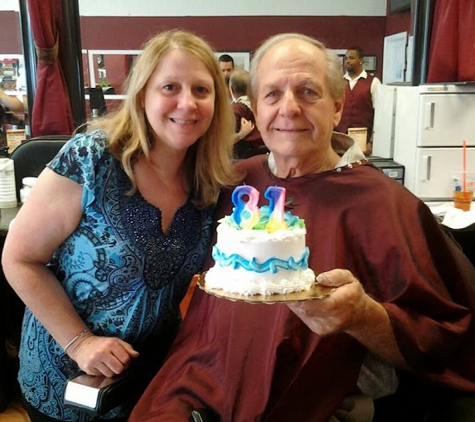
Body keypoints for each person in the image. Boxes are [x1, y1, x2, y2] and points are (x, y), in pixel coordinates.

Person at [129, 33, 475, 422]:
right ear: (255, 111)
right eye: (273, 94)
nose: (289, 109)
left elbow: (442, 338)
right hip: (198, 384)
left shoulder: (385, 204)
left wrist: (363, 315)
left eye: (308, 92)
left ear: (338, 107)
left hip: (313, 401)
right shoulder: (231, 184)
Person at [1, 29, 238, 422]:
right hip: (67, 379)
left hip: (152, 379)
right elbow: (19, 259)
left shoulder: (212, 182)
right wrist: (81, 344)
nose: (187, 103)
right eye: (170, 87)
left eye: (201, 90)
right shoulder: (92, 158)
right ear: (143, 94)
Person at [335, 46, 381, 155]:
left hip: (363, 139)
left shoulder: (373, 82)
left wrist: (372, 141)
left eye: (351, 58)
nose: (347, 61)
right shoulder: (339, 82)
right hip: (341, 138)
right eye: (346, 58)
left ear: (361, 60)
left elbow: (379, 115)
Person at [229, 69, 268, 159]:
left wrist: (241, 134)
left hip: (242, 155)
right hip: (263, 150)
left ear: (231, 88)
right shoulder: (260, 104)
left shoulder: (236, 109)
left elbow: (223, 141)